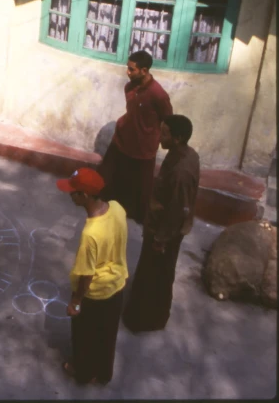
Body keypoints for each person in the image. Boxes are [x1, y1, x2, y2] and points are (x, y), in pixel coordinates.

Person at [123, 115, 200, 333]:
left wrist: (160, 239)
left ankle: (144, 320)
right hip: (163, 227)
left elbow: (176, 209)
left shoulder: (181, 171)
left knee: (155, 275)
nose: (160, 137)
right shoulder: (184, 154)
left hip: (165, 232)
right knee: (158, 272)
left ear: (178, 138)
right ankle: (151, 315)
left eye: (164, 134)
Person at [57, 167, 128, 385]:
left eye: (73, 192)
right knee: (106, 334)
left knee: (85, 336)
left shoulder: (90, 234)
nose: (70, 195)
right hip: (116, 285)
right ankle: (104, 373)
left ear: (84, 196)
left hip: (94, 294)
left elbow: (86, 275)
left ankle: (83, 372)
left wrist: (76, 302)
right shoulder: (117, 208)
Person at [98, 50, 173, 224]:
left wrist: (159, 140)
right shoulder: (129, 87)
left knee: (142, 188)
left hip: (144, 147)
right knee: (109, 176)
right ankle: (106, 207)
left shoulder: (158, 95)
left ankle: (138, 217)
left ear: (144, 71)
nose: (128, 72)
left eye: (132, 70)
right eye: (128, 68)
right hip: (122, 139)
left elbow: (167, 120)